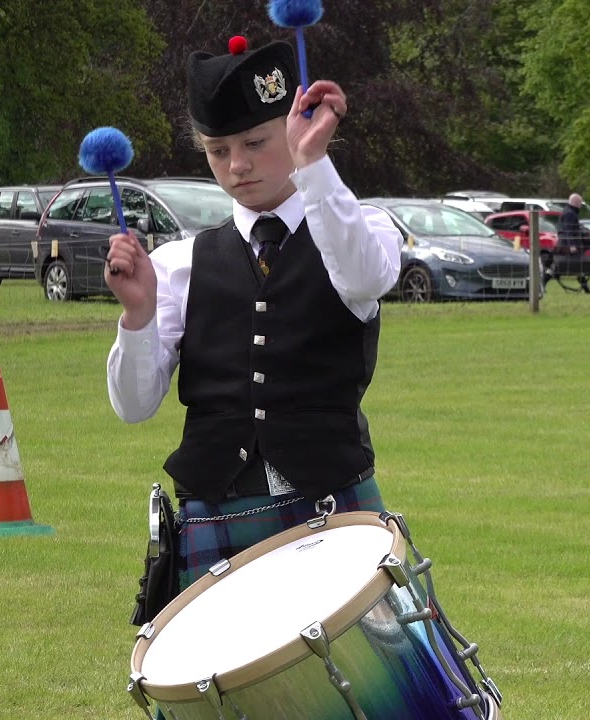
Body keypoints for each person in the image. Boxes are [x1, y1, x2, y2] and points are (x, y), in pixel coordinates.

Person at [105, 36, 401, 591]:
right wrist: (139, 317)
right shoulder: (179, 264)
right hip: (215, 518)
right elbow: (134, 406)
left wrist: (315, 163)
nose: (237, 165)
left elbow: (364, 278)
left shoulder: (364, 229)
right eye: (218, 151)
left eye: (256, 142)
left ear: (293, 128)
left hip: (334, 506)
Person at [551, 192, 590, 293]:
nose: (580, 205)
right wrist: (572, 245)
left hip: (565, 244)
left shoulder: (568, 212)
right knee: (575, 265)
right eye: (580, 202)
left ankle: (586, 288)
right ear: (576, 202)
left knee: (574, 265)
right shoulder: (570, 214)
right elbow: (568, 231)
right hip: (567, 245)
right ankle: (585, 287)